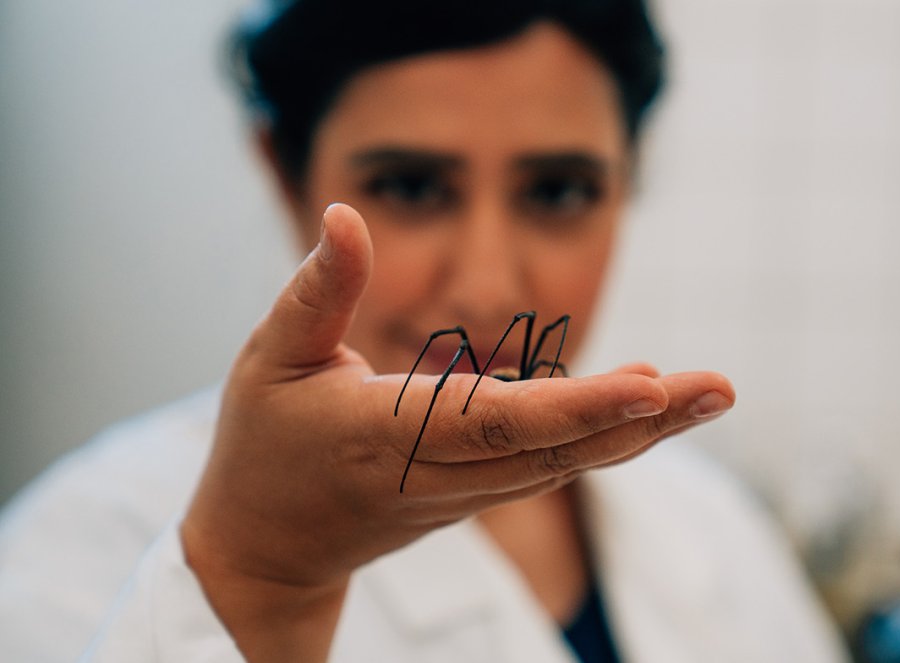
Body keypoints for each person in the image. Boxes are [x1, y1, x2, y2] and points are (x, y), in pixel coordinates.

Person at [0, 1, 846, 661]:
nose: (485, 286)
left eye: (557, 192)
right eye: (410, 185)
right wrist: (256, 584)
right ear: (282, 172)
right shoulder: (88, 547)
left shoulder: (711, 529)